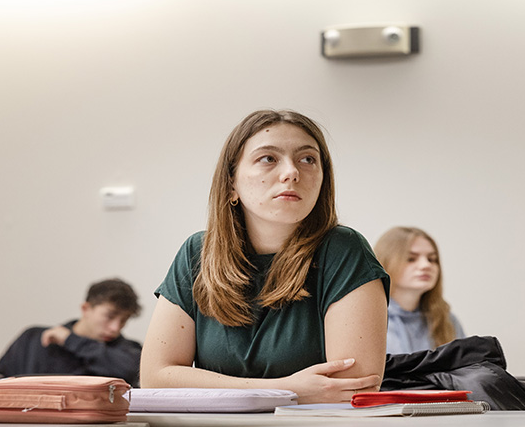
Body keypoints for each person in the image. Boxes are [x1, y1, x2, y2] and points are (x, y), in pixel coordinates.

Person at [139, 109, 389, 404]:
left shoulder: (344, 250)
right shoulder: (197, 252)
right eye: (268, 158)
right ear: (232, 184)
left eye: (307, 159)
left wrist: (225, 389)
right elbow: (155, 377)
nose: (291, 172)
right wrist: (287, 389)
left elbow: (351, 387)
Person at [0, 278, 143, 386]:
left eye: (124, 320)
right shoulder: (32, 339)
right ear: (86, 309)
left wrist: (71, 340)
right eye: (109, 316)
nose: (115, 328)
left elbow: (129, 372)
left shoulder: (129, 352)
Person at [374, 226, 465, 354]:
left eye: (432, 259)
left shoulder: (447, 320)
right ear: (386, 263)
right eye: (411, 259)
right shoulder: (367, 319)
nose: (426, 265)